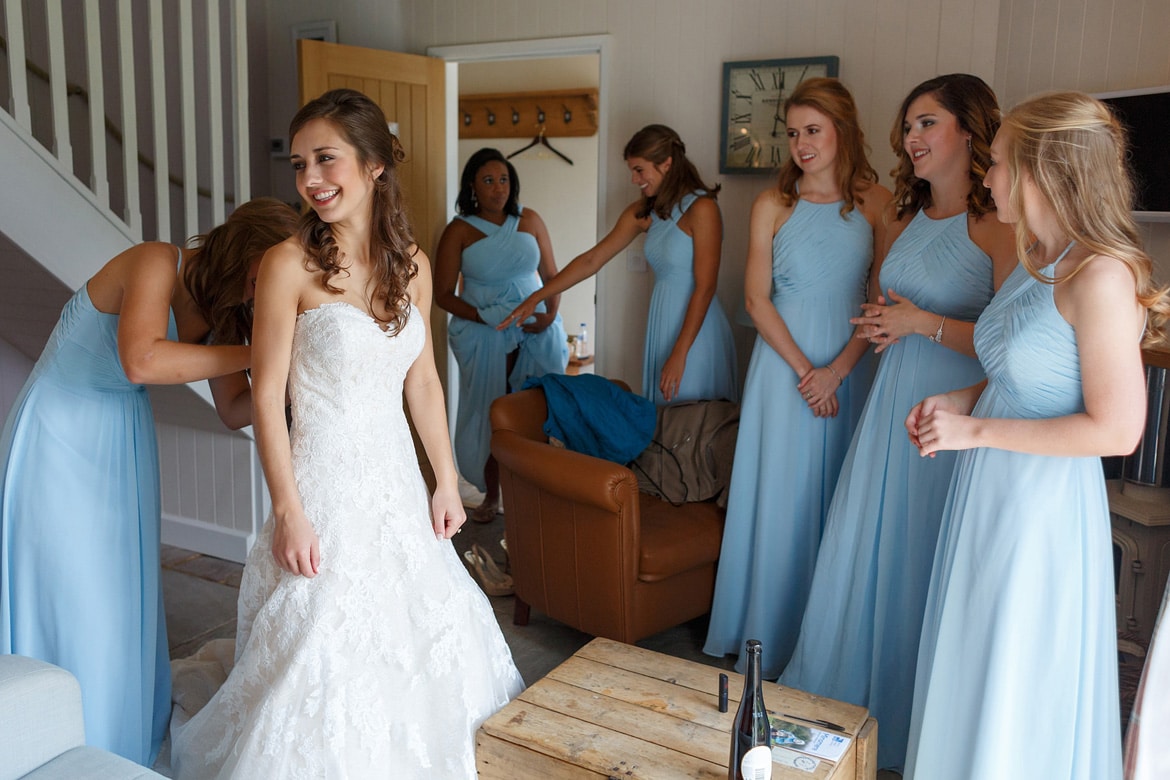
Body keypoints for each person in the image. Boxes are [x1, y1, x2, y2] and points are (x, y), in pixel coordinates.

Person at [170, 88, 523, 779]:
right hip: (323, 485)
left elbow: (421, 382)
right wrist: (289, 513)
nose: (310, 180)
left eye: (325, 159)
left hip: (394, 481)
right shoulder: (287, 265)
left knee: (430, 628)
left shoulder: (415, 267)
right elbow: (266, 400)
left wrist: (446, 479)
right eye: (300, 164)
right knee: (324, 647)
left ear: (373, 166)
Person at [903, 90, 1169, 780]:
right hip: (987, 486)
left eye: (996, 163)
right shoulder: (1035, 262)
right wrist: (952, 402)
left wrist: (973, 426)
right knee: (974, 652)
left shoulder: (1101, 274)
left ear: (1044, 168)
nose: (986, 177)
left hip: (1040, 505)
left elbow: (1118, 427)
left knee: (1014, 664)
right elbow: (1019, 374)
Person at [0, 197, 298, 765]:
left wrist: (290, 380)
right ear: (244, 253)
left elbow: (233, 409)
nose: (269, 290)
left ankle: (115, 729)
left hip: (121, 434)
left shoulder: (226, 308)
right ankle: (53, 730)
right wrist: (259, 350)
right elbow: (141, 360)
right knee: (69, 586)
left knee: (115, 585)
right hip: (58, 429)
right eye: (267, 274)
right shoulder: (155, 261)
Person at [778, 74, 1016, 772]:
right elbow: (887, 299)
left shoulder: (996, 225)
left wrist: (921, 323)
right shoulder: (903, 218)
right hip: (892, 399)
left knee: (920, 553)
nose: (911, 139)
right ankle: (850, 703)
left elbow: (1009, 343)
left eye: (927, 124)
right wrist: (884, 325)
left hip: (953, 408)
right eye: (908, 126)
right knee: (868, 546)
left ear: (969, 132)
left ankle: (915, 716)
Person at [703, 78, 890, 677]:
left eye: (814, 131)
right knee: (779, 499)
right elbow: (756, 301)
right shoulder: (771, 205)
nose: (802, 144)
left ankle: (824, 645)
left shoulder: (876, 203)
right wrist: (810, 373)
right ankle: (764, 637)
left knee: (838, 499)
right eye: (792, 133)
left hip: (850, 371)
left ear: (843, 131)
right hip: (783, 376)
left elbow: (878, 298)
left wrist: (836, 371)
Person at [500, 124, 738, 406]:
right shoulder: (645, 212)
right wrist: (537, 296)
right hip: (664, 322)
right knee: (664, 423)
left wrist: (680, 352)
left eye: (639, 170)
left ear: (666, 164)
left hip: (697, 330)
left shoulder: (703, 208)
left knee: (695, 419)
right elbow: (591, 260)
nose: (634, 179)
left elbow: (706, 286)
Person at [435, 148, 567, 522]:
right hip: (485, 334)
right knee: (493, 409)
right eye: (488, 181)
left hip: (535, 329)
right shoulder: (459, 230)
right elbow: (443, 294)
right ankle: (492, 495)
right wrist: (485, 316)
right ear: (473, 186)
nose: (498, 188)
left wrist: (550, 315)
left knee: (535, 409)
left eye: (504, 179)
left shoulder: (531, 220)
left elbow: (554, 275)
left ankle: (536, 494)